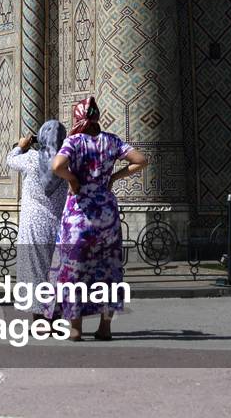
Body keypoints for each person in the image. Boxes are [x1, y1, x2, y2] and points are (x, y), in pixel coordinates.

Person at [46, 96, 148, 341]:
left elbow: (57, 166)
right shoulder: (111, 141)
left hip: (79, 217)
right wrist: (114, 177)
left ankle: (76, 327)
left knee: (74, 270)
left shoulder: (74, 142)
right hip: (107, 216)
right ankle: (105, 327)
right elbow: (141, 160)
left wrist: (72, 179)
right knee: (108, 269)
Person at [7, 119, 68, 321]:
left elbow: (10, 160)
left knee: (35, 271)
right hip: (59, 224)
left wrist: (20, 146)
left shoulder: (31, 158)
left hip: (33, 225)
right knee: (56, 272)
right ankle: (55, 318)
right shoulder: (66, 160)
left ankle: (39, 321)